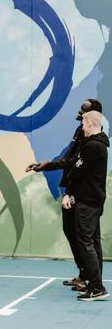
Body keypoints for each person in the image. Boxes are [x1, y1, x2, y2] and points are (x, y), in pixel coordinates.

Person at [26, 99, 103, 290]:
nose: (79, 112)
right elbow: (69, 159)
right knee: (74, 233)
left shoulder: (93, 141)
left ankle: (94, 282)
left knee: (89, 240)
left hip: (83, 195)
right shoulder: (80, 132)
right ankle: (85, 274)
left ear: (92, 118)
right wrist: (47, 164)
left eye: (83, 110)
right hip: (75, 192)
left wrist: (69, 192)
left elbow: (77, 168)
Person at [62, 111, 109, 301]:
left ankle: (97, 287)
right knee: (93, 242)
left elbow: (76, 171)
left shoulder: (93, 147)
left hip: (87, 202)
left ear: (90, 123)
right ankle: (93, 283)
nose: (81, 127)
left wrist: (69, 191)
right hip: (93, 201)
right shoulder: (98, 145)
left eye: (83, 123)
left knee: (85, 243)